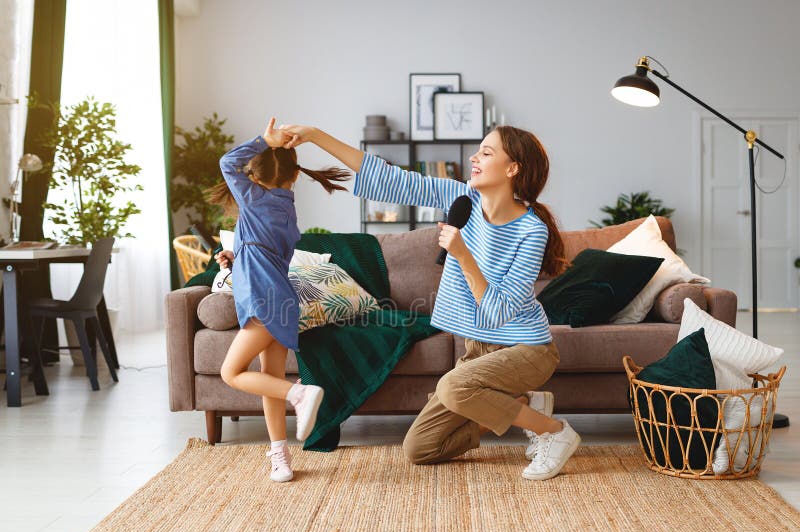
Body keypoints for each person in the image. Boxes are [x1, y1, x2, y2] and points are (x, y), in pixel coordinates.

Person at [278, 123, 580, 481]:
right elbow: (389, 179)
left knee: (453, 387)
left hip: (524, 348)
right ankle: (524, 408)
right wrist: (314, 135)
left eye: (486, 152)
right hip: (479, 351)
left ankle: (553, 432)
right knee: (420, 448)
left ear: (513, 168)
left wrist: (463, 255)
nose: (474, 156)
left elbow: (498, 311)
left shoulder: (532, 231)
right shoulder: (461, 200)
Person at [208, 118, 351, 482]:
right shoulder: (285, 209)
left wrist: (263, 139)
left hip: (264, 299)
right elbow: (263, 255)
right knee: (267, 376)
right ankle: (280, 456)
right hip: (279, 299)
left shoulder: (255, 200)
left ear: (253, 180)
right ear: (295, 178)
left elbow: (227, 163)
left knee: (231, 372)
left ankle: (300, 395)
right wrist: (235, 258)